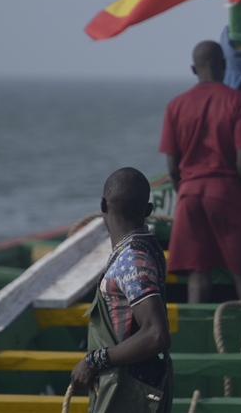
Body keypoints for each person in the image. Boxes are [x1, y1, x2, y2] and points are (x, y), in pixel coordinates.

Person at [159, 40, 241, 303]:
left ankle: (195, 342)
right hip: (225, 196)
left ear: (193, 69)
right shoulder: (238, 102)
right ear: (224, 65)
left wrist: (185, 193)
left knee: (198, 275)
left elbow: (172, 167)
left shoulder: (175, 106)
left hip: (188, 197)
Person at [70, 167, 173, 413]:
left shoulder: (132, 260)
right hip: (123, 387)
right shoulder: (137, 252)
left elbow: (156, 335)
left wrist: (94, 360)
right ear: (147, 211)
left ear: (103, 205)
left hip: (129, 391)